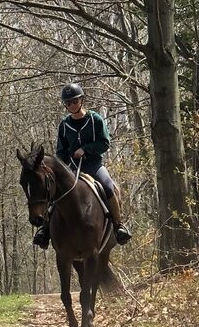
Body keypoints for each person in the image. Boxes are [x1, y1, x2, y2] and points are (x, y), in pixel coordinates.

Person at [32, 82, 132, 249]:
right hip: (70, 167)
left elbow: (104, 143)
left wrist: (85, 149)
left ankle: (118, 225)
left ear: (82, 100)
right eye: (68, 103)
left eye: (75, 101)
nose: (72, 105)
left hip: (93, 165)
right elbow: (61, 151)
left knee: (108, 186)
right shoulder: (64, 125)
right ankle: (45, 230)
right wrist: (61, 166)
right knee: (53, 190)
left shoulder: (95, 119)